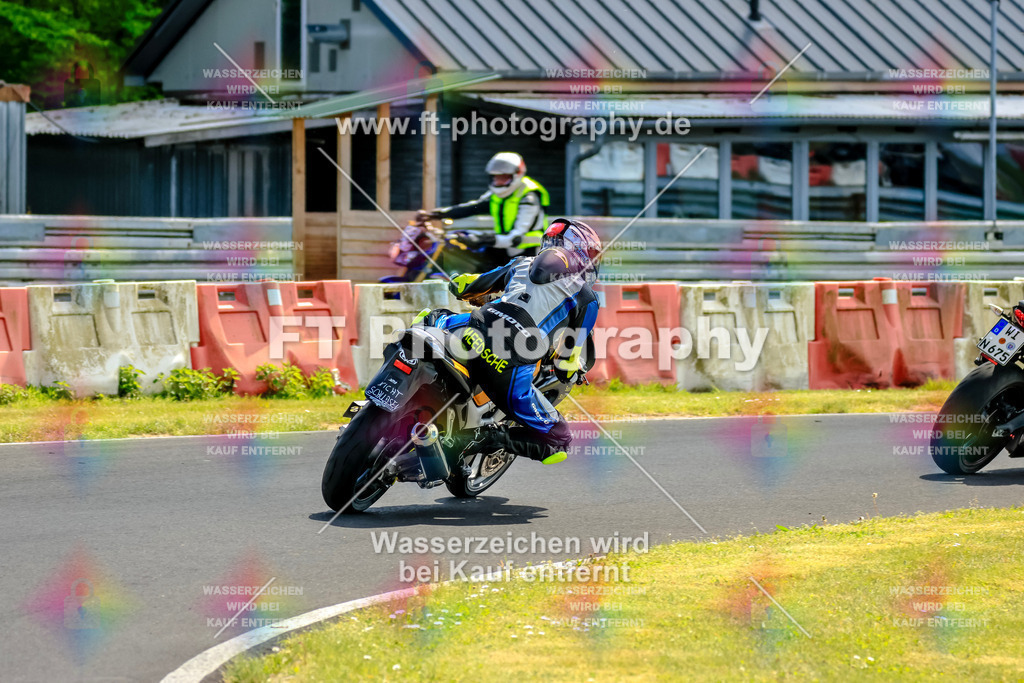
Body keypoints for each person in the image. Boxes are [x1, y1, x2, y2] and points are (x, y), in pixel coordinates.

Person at [415, 218, 602, 465]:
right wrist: (571, 373)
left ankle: (397, 382)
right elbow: (565, 363)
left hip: (474, 331)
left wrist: (466, 285)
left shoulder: (521, 263)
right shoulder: (587, 299)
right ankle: (470, 441)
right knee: (559, 440)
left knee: (431, 319)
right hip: (508, 367)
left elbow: (463, 286)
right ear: (580, 253)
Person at [418, 152, 550, 273]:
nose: (498, 182)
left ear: (516, 175)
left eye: (503, 178)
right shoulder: (496, 195)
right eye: (496, 178)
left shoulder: (529, 196)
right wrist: (437, 214)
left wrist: (480, 239)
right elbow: (472, 207)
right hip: (504, 245)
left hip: (529, 251)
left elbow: (516, 236)